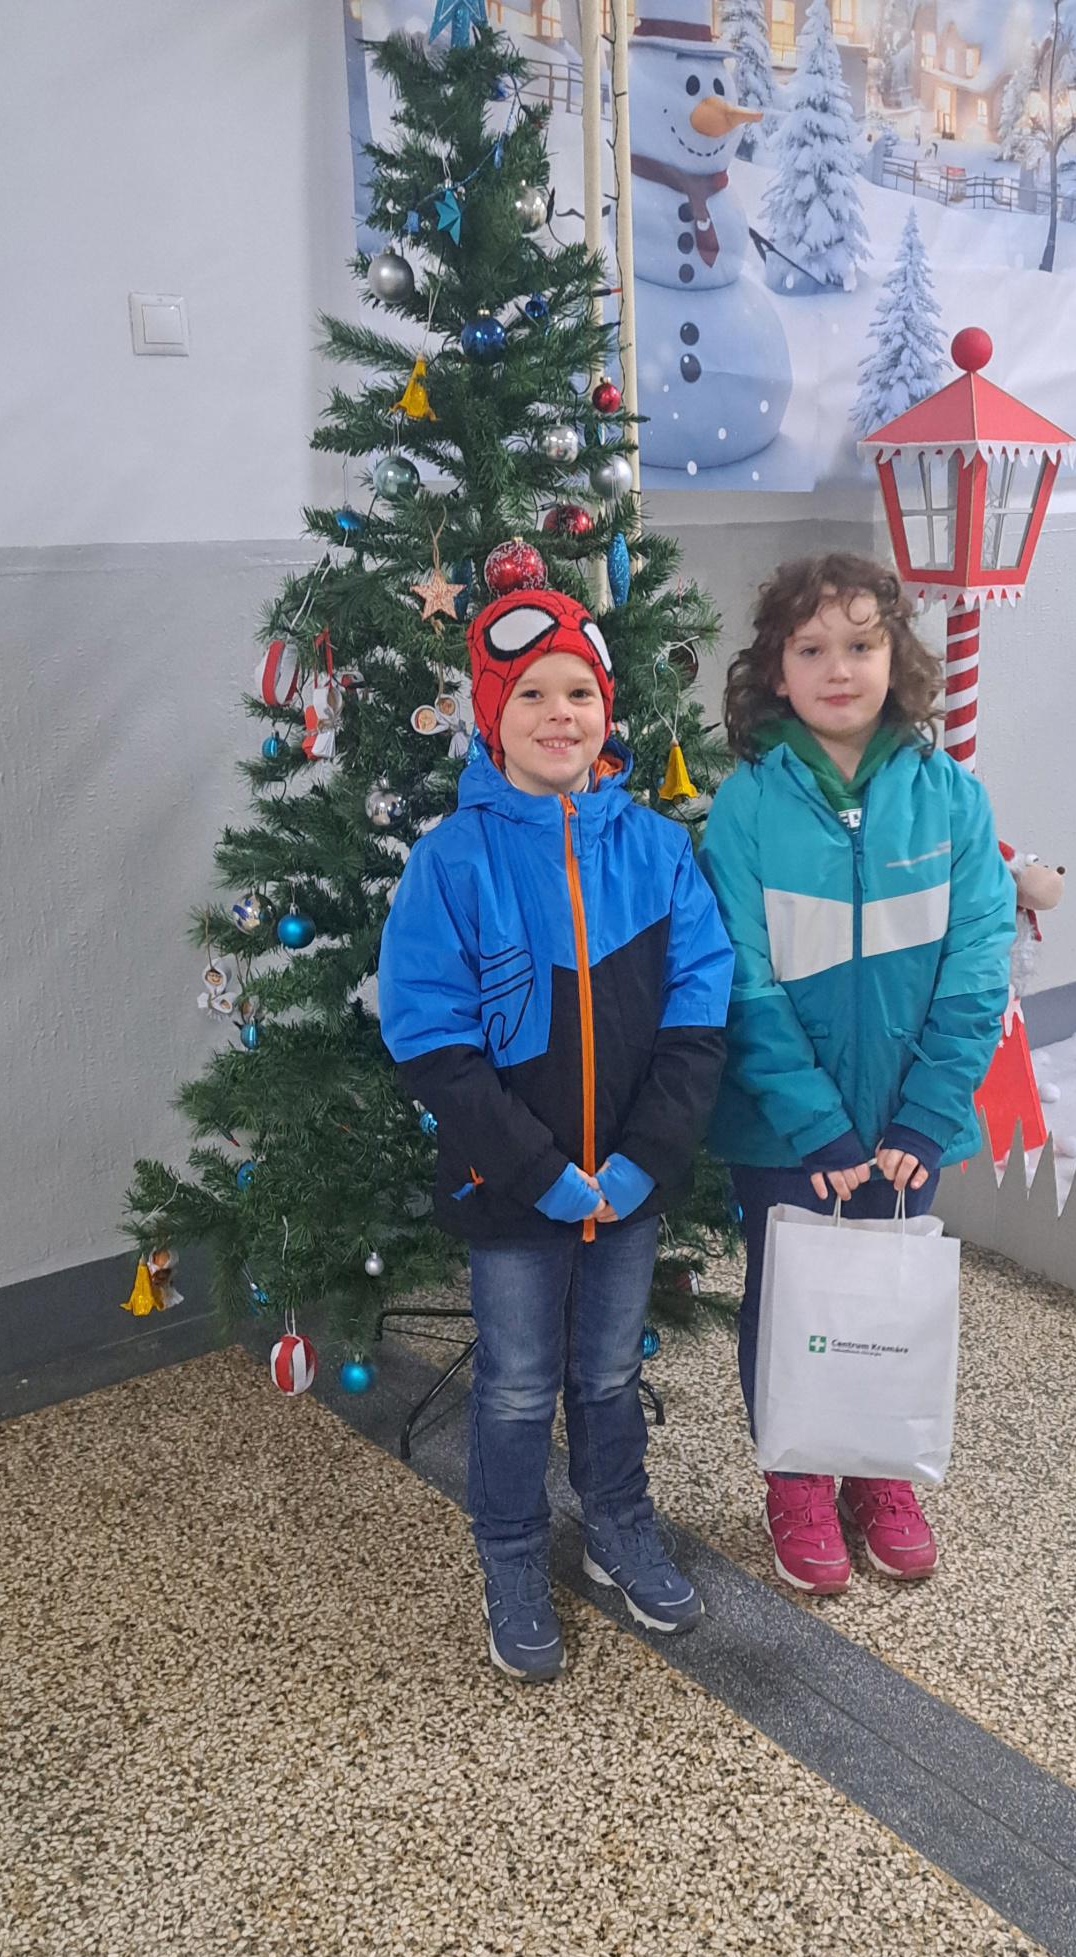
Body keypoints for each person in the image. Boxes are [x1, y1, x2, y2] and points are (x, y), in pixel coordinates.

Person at [378, 582, 734, 1683]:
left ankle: (617, 1523)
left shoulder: (658, 852)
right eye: (530, 693)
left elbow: (697, 1010)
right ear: (492, 715)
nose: (558, 713)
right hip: (512, 1191)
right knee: (519, 1383)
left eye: (579, 691)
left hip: (626, 1187)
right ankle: (511, 1552)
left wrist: (641, 1162)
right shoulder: (452, 862)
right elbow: (430, 1036)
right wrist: (537, 1171)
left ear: (605, 709)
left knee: (610, 1373)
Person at [698, 552, 1014, 1593]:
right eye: (812, 648)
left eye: (862, 644)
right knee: (791, 1298)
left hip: (905, 1126)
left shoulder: (952, 801)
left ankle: (879, 1471)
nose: (839, 668)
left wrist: (924, 1116)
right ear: (774, 670)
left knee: (885, 1294)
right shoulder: (745, 809)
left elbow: (977, 970)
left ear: (896, 657)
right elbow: (741, 979)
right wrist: (814, 1124)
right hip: (786, 1128)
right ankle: (795, 1473)